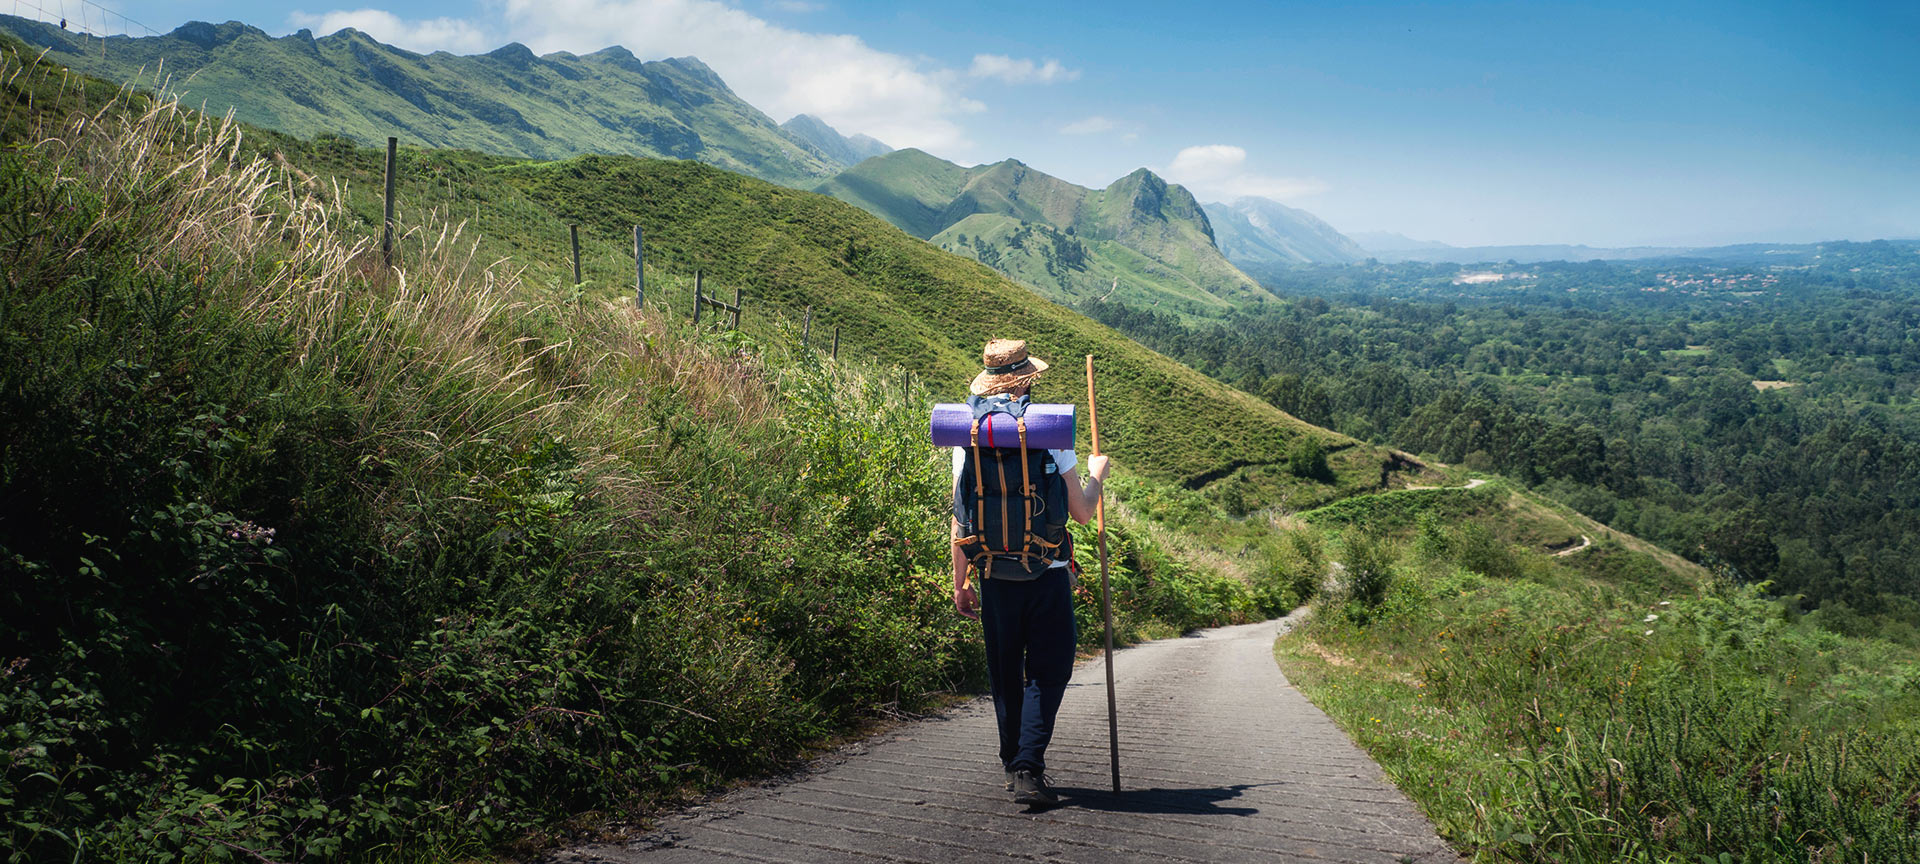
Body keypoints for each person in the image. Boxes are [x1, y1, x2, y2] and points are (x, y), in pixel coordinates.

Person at [950, 338, 1111, 807]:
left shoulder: (969, 434)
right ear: (1026, 381)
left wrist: (959, 582)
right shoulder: (1047, 430)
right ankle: (1028, 766)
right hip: (1047, 571)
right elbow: (1080, 512)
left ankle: (1011, 762)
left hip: (993, 573)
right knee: (1050, 668)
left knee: (1004, 672)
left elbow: (962, 518)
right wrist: (1098, 472)